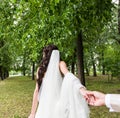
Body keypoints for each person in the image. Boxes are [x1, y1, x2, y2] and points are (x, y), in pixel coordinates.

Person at [28, 44, 90, 118]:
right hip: (54, 105)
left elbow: (36, 91)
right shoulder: (60, 64)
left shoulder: (42, 69)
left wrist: (32, 113)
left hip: (46, 106)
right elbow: (69, 76)